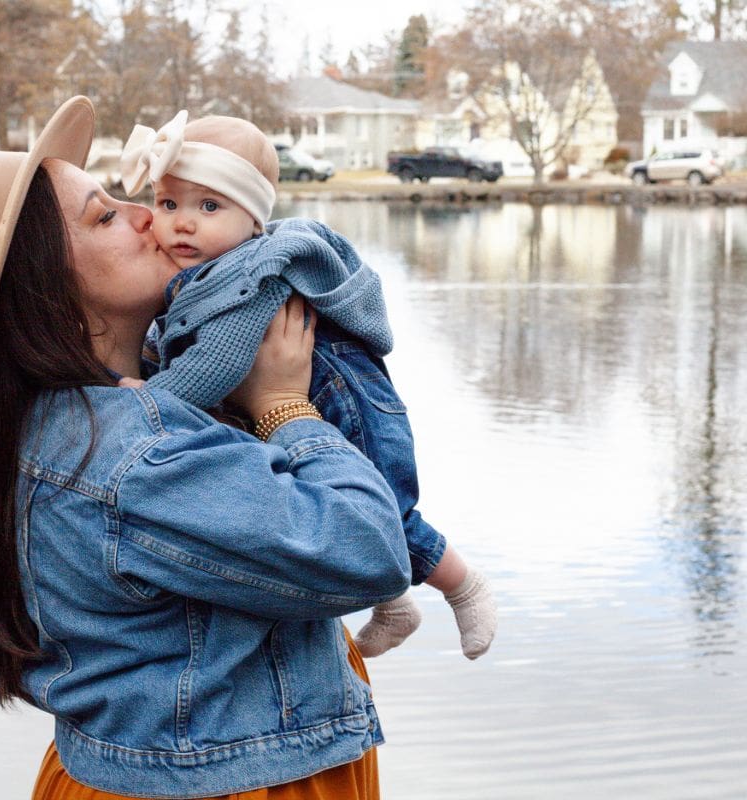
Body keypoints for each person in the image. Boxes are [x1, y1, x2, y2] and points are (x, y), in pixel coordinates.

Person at [0, 95, 412, 799]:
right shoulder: (134, 454)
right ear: (46, 285)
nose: (149, 214)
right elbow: (369, 551)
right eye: (106, 215)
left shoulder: (78, 414)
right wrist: (285, 407)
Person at [118, 111, 497, 659]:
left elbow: (218, 367)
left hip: (343, 396)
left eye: (209, 206)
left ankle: (465, 587)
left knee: (387, 510)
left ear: (252, 220)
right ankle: (393, 603)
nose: (182, 223)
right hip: (303, 400)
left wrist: (150, 402)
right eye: (168, 203)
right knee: (338, 508)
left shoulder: (255, 273)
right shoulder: (205, 271)